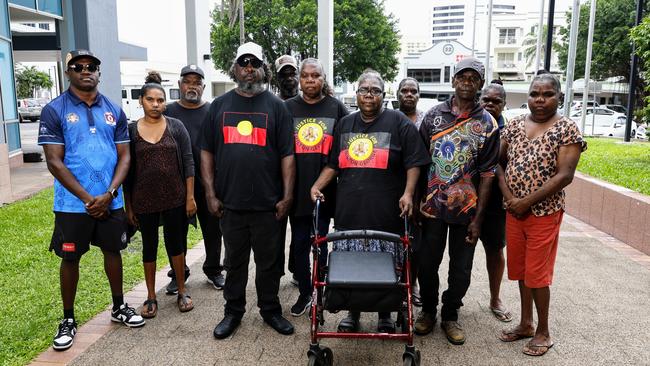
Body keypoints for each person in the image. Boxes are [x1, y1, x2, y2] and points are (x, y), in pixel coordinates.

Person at [38, 49, 145, 351]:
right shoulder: (54, 110)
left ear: (99, 72)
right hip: (73, 205)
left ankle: (119, 306)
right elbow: (54, 162)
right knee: (70, 257)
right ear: (69, 72)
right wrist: (89, 199)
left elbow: (125, 156)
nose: (85, 71)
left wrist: (109, 194)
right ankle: (68, 319)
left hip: (110, 200)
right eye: (78, 66)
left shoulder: (114, 109)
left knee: (113, 251)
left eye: (91, 67)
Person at [310, 70, 429, 333]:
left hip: (386, 213)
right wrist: (317, 186)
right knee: (352, 264)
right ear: (356, 93)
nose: (369, 95)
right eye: (364, 89)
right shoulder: (345, 124)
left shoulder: (399, 123)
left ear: (383, 95)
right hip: (350, 212)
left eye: (375, 90)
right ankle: (352, 313)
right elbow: (333, 164)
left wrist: (409, 193)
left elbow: (414, 163)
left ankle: (385, 315)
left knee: (384, 266)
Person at [202, 42, 296, 339]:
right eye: (243, 62)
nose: (249, 68)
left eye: (254, 62)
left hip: (268, 204)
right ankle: (233, 312)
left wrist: (288, 196)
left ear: (262, 68)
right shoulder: (219, 106)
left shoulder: (277, 107)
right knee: (235, 262)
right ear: (235, 68)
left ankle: (270, 310)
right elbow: (206, 152)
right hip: (231, 203)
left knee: (269, 263)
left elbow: (287, 156)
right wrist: (209, 193)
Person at [497, 74, 584, 356]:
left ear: (558, 96)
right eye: (535, 93)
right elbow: (496, 165)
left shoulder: (566, 128)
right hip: (514, 212)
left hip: (544, 212)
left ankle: (543, 330)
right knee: (521, 271)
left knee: (537, 275)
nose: (540, 99)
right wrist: (512, 200)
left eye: (547, 94)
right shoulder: (513, 125)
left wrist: (527, 202)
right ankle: (525, 323)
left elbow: (565, 175)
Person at [415, 57, 499, 345]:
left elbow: (488, 175)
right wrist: (416, 202)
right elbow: (418, 161)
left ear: (480, 84)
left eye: (473, 78)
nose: (467, 82)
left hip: (467, 211)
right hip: (431, 208)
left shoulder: (487, 124)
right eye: (462, 77)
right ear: (453, 81)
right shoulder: (433, 116)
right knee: (426, 264)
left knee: (461, 269)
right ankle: (428, 311)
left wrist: (478, 219)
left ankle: (450, 314)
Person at [124, 71, 197, 317]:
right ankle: (151, 296)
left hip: (175, 197)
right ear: (141, 101)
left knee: (176, 244)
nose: (156, 105)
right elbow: (126, 170)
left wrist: (189, 197)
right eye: (150, 100)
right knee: (149, 246)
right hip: (144, 199)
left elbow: (188, 163)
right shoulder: (131, 131)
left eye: (160, 100)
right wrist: (129, 206)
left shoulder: (176, 127)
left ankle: (182, 290)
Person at [285, 58, 348, 316]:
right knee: (299, 244)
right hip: (296, 191)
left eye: (316, 76)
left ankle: (320, 292)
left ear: (324, 79)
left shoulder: (337, 108)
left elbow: (347, 147)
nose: (310, 80)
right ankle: (305, 292)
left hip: (326, 191)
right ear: (299, 79)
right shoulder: (286, 108)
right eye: (306, 76)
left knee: (320, 242)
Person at [164, 64, 225, 294]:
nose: (192, 86)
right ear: (180, 85)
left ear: (203, 87)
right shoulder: (168, 111)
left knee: (213, 230)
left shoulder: (213, 111)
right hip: (176, 184)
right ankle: (178, 273)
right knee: (175, 232)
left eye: (197, 82)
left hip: (208, 182)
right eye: (188, 81)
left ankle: (214, 270)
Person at [478, 83, 512, 322]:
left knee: (495, 249)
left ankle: (495, 297)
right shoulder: (469, 124)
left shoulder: (509, 131)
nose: (490, 104)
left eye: (496, 101)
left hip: (495, 202)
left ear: (504, 104)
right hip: (465, 199)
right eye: (486, 99)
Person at [396, 77, 426, 307]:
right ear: (397, 94)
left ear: (418, 94)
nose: (408, 94)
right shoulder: (388, 119)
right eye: (404, 90)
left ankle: (412, 284)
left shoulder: (427, 121)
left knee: (415, 244)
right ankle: (393, 283)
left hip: (420, 189)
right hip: (391, 188)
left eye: (413, 91)